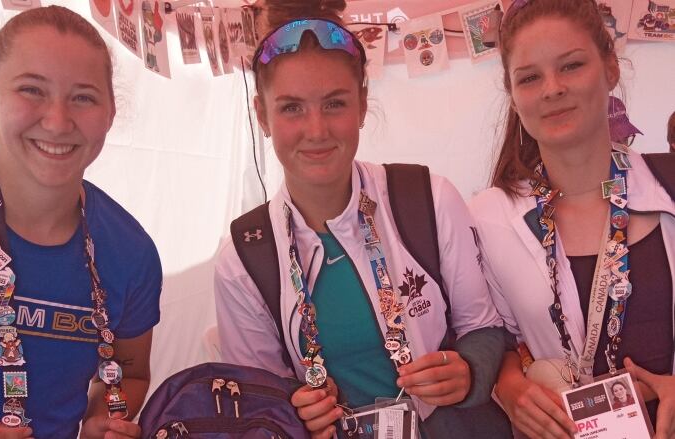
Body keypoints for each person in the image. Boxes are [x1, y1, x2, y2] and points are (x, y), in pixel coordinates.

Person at [214, 1, 510, 438]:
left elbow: (483, 328)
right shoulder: (242, 259)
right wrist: (297, 410)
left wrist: (467, 371)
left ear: (362, 104)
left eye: (334, 104)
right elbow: (259, 406)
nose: (316, 130)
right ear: (262, 115)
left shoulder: (427, 198)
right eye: (292, 108)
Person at [0, 6, 162, 439]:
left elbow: (127, 374)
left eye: (83, 97)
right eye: (31, 90)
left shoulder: (130, 253)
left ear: (110, 113)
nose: (57, 121)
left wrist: (103, 418)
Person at [468, 1, 675, 438]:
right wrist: (509, 387)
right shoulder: (490, 217)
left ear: (611, 69)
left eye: (572, 65)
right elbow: (496, 335)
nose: (552, 89)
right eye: (530, 77)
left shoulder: (668, 188)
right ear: (513, 93)